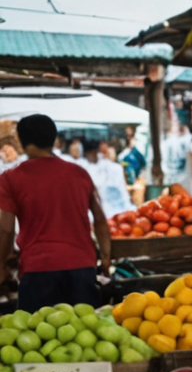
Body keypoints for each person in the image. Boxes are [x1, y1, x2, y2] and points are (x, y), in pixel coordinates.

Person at [0, 115, 112, 307]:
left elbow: (6, 229)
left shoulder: (11, 178)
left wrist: (1, 264)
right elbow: (100, 219)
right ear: (53, 138)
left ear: (20, 141)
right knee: (85, 324)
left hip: (38, 269)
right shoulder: (79, 173)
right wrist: (106, 257)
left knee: (37, 326)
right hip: (81, 267)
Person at [85, 138, 135, 215]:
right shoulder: (90, 169)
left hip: (117, 210)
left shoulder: (116, 168)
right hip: (104, 211)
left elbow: (123, 193)